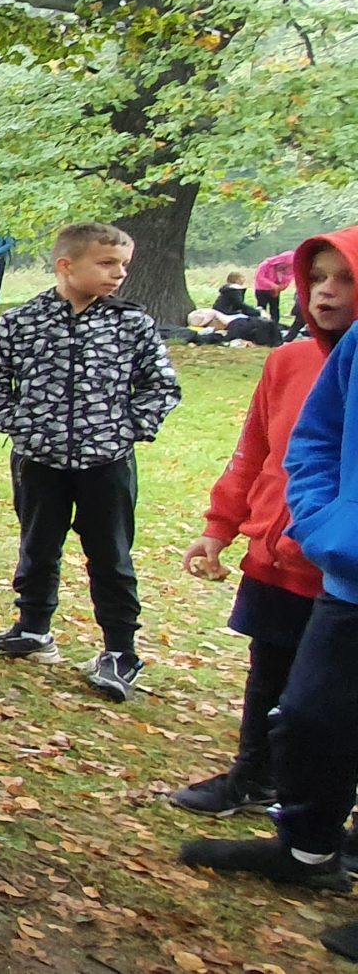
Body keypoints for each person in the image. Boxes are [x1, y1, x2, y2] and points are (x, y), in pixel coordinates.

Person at [179, 241, 358, 949]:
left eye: (345, 279)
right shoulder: (290, 361)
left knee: (332, 712)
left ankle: (328, 832)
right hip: (292, 557)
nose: (326, 292)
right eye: (316, 279)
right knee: (287, 693)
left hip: (329, 571)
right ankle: (273, 803)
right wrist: (222, 526)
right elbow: (266, 450)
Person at [0, 222, 181, 701]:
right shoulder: (21, 322)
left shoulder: (131, 324)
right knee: (38, 546)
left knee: (111, 555)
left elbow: (161, 384)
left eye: (123, 264)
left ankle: (120, 650)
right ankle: (32, 628)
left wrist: (127, 429)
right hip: (39, 460)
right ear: (66, 265)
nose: (118, 273)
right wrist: (19, 423)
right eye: (106, 263)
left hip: (107, 463)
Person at [255, 249, 297, 325]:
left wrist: (281, 287)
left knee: (275, 308)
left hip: (275, 291)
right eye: (286, 265)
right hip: (262, 290)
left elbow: (288, 278)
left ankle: (275, 325)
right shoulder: (265, 265)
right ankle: (260, 324)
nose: (286, 267)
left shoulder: (287, 270)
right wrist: (273, 285)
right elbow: (259, 277)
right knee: (261, 308)